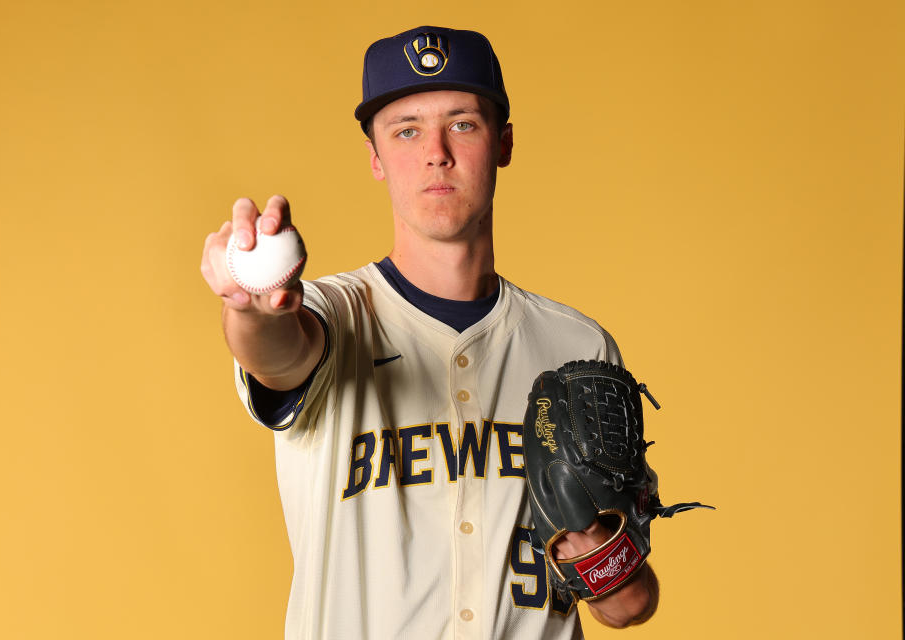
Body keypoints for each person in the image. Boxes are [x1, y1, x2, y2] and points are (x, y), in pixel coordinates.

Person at [201, 26, 657, 640]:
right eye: (407, 130)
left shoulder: (578, 349)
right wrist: (257, 311)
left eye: (462, 124)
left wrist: (589, 534)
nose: (436, 152)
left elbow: (629, 607)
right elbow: (281, 357)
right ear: (375, 158)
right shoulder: (337, 316)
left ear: (503, 143)